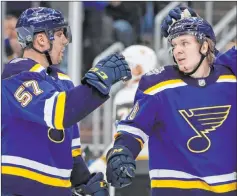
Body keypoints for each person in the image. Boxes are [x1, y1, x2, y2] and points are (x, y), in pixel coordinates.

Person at [105, 8, 236, 196]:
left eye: (185, 43)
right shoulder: (157, 84)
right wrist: (121, 151)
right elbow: (133, 129)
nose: (178, 50)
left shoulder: (230, 79)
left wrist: (198, 24)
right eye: (174, 45)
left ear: (205, 46)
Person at [1, 7, 131, 196]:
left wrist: (85, 182)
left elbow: (71, 150)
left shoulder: (63, 81)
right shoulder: (16, 76)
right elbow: (58, 113)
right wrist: (100, 81)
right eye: (60, 33)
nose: (66, 40)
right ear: (41, 39)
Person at [89, 45, 157, 196]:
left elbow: (124, 137)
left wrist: (101, 162)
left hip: (133, 168)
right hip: (158, 167)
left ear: (139, 69)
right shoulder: (160, 90)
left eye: (128, 64)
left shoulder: (125, 96)